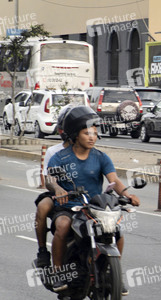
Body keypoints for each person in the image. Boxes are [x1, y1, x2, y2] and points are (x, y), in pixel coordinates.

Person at [46, 106, 140, 295]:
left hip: (94, 207)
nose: (92, 137)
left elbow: (114, 180)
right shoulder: (60, 157)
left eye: (95, 134)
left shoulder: (101, 157)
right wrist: (58, 189)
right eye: (87, 133)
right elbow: (50, 179)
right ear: (75, 135)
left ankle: (115, 272)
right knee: (63, 226)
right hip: (68, 206)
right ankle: (57, 272)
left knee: (117, 232)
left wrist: (128, 194)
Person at [34, 105, 72, 268]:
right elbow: (48, 178)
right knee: (42, 207)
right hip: (58, 194)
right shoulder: (53, 152)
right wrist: (57, 189)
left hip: (84, 196)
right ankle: (43, 251)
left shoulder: (93, 153)